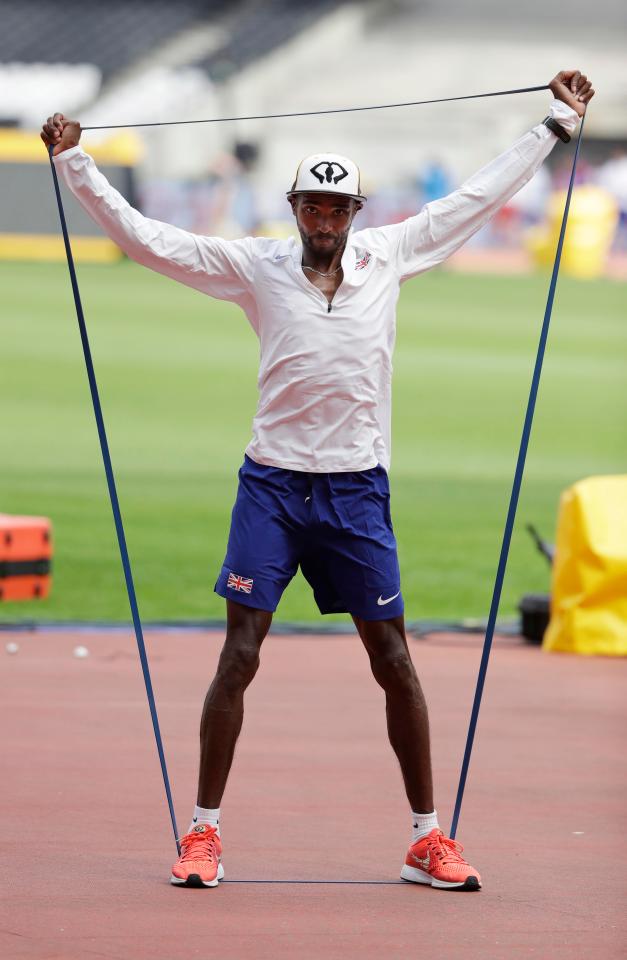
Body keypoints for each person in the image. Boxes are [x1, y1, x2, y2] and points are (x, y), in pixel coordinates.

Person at [41, 69, 594, 892]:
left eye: (337, 208)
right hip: (270, 486)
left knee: (394, 660)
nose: (324, 220)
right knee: (238, 655)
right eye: (312, 206)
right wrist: (77, 165)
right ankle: (202, 834)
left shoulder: (391, 252)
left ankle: (425, 838)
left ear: (355, 215)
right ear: (295, 209)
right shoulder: (257, 266)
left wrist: (554, 122)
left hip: (356, 490)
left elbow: (474, 200)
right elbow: (149, 241)